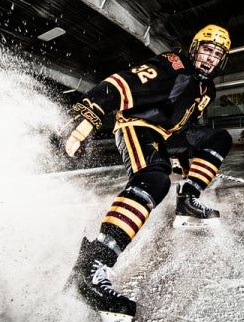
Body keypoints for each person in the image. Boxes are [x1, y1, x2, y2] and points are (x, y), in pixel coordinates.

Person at [60, 25, 233, 321]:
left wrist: (187, 160)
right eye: (206, 49)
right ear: (194, 49)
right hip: (137, 126)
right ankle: (89, 270)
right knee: (154, 179)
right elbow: (121, 83)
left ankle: (187, 200)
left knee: (219, 138)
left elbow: (185, 124)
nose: (210, 58)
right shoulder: (171, 65)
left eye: (217, 54)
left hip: (167, 135)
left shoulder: (207, 88)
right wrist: (89, 115)